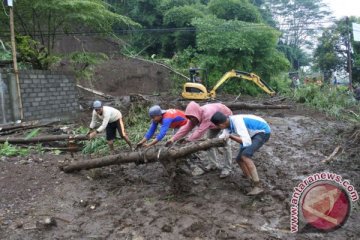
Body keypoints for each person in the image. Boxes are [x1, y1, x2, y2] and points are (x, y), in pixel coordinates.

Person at [166, 101, 233, 178]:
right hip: (213, 124)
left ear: (196, 113)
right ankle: (213, 164)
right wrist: (173, 139)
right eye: (189, 117)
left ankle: (227, 168)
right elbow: (185, 128)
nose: (191, 119)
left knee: (226, 143)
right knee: (209, 142)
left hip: (225, 118)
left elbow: (200, 132)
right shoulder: (193, 117)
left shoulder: (207, 114)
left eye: (192, 117)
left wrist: (187, 140)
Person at [210, 111, 271, 195]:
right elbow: (222, 137)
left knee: (245, 156)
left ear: (220, 125)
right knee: (239, 159)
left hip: (263, 131)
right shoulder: (227, 125)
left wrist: (231, 137)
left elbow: (247, 142)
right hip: (252, 134)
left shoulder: (237, 122)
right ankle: (249, 179)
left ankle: (258, 186)